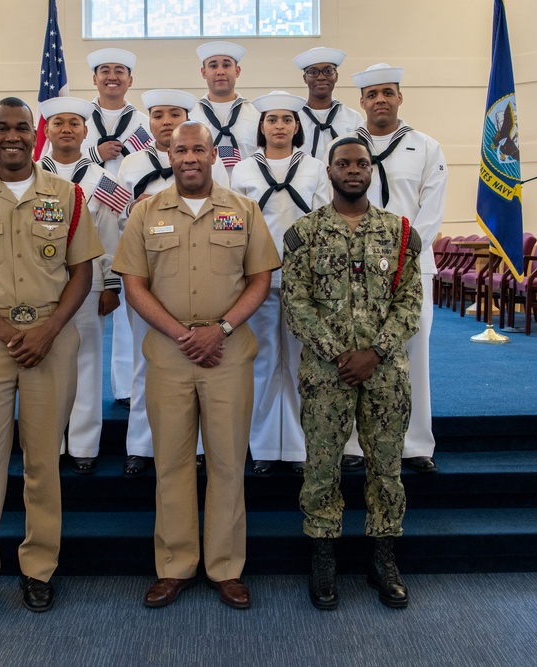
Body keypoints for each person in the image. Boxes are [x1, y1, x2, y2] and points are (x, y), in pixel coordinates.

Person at [0, 97, 103, 628]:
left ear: (36, 136)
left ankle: (38, 569)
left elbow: (82, 273)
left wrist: (49, 330)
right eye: (2, 128)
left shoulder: (67, 194)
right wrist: (9, 332)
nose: (12, 136)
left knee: (42, 462)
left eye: (21, 128)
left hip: (52, 338)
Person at [112, 122, 279, 610]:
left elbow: (260, 279)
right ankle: (175, 566)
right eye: (180, 148)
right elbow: (135, 285)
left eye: (198, 149)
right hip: (169, 353)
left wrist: (220, 329)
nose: (189, 157)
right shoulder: (145, 214)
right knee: (172, 465)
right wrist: (182, 334)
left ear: (214, 155)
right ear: (168, 153)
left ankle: (226, 568)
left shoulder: (243, 211)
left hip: (227, 353)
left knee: (228, 462)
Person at [281, 135, 422, 611]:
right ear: (330, 171)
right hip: (326, 375)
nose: (353, 170)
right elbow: (295, 303)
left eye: (361, 163)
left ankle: (383, 556)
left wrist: (375, 353)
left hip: (384, 375)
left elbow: (410, 303)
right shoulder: (305, 233)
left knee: (386, 468)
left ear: (371, 170)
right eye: (344, 163)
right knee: (322, 467)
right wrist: (341, 354)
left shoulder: (401, 233)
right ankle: (323, 556)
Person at [116, 88, 230, 477]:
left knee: (200, 370)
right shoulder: (130, 164)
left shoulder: (212, 162)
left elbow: (225, 212)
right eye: (158, 115)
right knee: (143, 361)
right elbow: (117, 217)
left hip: (202, 275)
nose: (166, 121)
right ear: (149, 123)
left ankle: (197, 447)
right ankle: (140, 447)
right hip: (150, 278)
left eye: (175, 114)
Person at [348, 63, 448, 474]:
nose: (380, 100)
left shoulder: (426, 146)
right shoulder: (345, 146)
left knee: (412, 352)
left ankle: (415, 444)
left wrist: (402, 254)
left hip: (410, 266)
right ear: (362, 102)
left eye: (387, 92)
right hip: (354, 267)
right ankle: (352, 444)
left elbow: (431, 208)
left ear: (400, 97)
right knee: (352, 352)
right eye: (372, 94)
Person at [229, 91, 329, 476]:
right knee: (264, 362)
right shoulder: (243, 170)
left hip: (306, 279)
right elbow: (235, 225)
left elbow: (322, 221)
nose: (279, 127)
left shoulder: (316, 167)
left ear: (297, 126)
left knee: (305, 362)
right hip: (259, 278)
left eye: (287, 120)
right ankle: (267, 446)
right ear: (261, 127)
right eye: (272, 120)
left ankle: (304, 447)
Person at [37, 96, 125, 474]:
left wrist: (111, 284)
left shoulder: (103, 179)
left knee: (87, 361)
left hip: (87, 284)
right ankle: (49, 442)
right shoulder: (30, 175)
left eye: (74, 122)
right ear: (48, 131)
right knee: (45, 365)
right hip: (40, 287)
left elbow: (112, 233)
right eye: (59, 123)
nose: (67, 129)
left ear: (86, 132)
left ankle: (85, 444)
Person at [82, 48, 150, 409]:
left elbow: (153, 163)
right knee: (87, 307)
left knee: (131, 303)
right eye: (104, 71)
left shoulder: (142, 121)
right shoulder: (78, 117)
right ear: (94, 79)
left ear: (130, 79)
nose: (112, 76)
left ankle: (127, 387)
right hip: (89, 221)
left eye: (120, 71)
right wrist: (96, 154)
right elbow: (54, 159)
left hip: (131, 219)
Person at [189, 41, 259, 175]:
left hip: (246, 192)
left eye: (226, 65)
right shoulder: (190, 116)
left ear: (237, 71)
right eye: (213, 66)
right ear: (204, 72)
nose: (220, 71)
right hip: (202, 192)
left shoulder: (256, 114)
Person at [292, 47, 364, 162]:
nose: (321, 77)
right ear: (305, 78)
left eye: (328, 71)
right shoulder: (293, 118)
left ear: (336, 76)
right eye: (313, 72)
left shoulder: (353, 118)